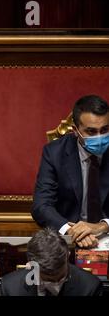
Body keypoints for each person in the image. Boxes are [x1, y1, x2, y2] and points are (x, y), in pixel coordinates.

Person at [32, 95, 109, 248]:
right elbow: (41, 205)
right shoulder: (54, 153)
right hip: (70, 240)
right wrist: (72, 231)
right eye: (91, 132)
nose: (100, 137)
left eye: (105, 130)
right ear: (75, 130)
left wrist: (102, 226)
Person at [0, 228, 101, 296]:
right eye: (48, 279)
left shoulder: (90, 287)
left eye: (60, 277)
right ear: (31, 264)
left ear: (68, 255)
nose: (55, 284)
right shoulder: (10, 288)